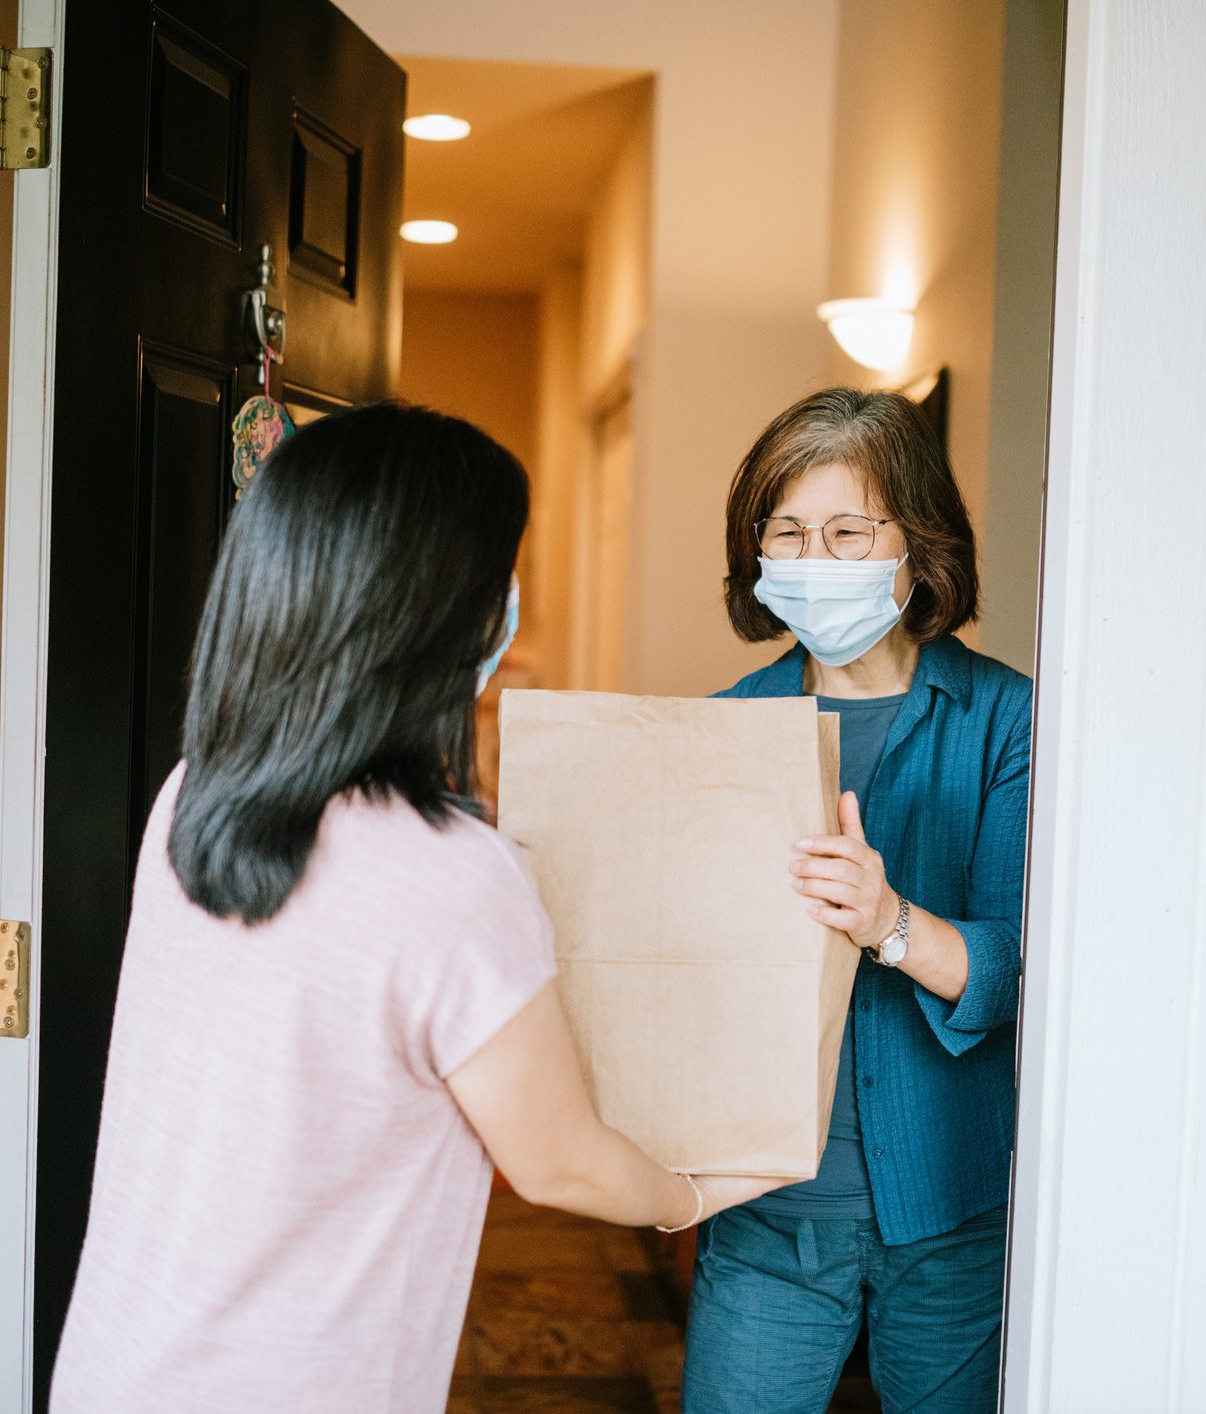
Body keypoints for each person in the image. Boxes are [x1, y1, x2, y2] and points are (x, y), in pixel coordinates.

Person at [49, 403, 784, 1413]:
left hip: (122, 1365)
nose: (509, 606)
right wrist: (692, 1195)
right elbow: (560, 1159)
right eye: (498, 579)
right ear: (433, 616)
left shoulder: (194, 796)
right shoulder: (451, 875)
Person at [681, 388, 1032, 1414]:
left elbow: (1015, 971)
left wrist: (889, 924)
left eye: (846, 532)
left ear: (918, 544)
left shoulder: (1004, 720)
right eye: (786, 534)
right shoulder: (725, 728)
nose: (812, 559)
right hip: (765, 1214)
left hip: (951, 1218)